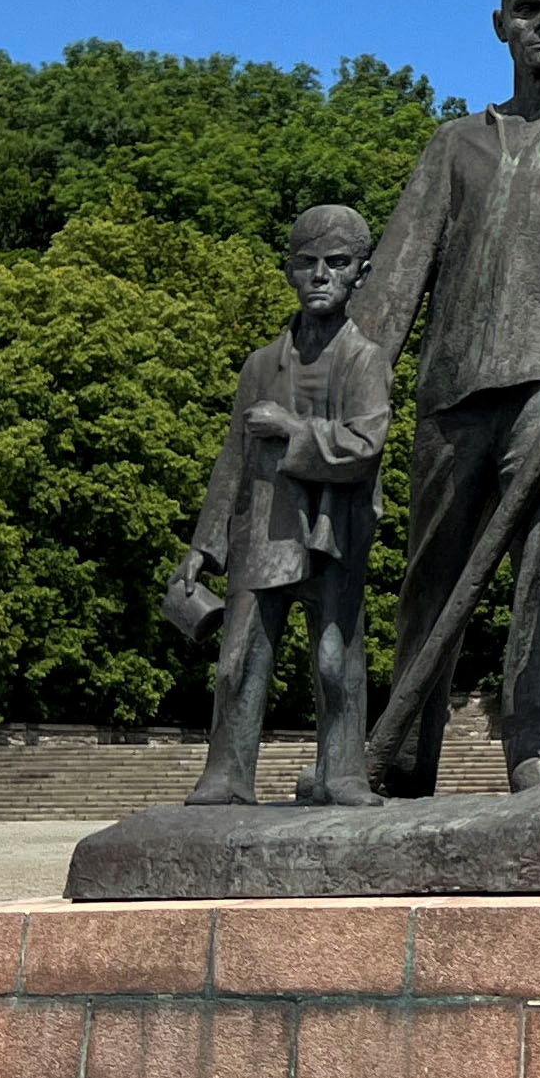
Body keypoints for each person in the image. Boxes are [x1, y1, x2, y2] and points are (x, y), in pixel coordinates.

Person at [352, 0, 540, 793]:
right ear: (499, 25)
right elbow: (394, 281)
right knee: (429, 575)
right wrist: (353, 398)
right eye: (529, 10)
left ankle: (538, 746)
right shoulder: (454, 144)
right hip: (455, 390)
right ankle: (402, 752)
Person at [176, 206, 393, 809]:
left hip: (335, 527)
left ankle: (342, 772)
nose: (321, 275)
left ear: (361, 273)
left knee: (334, 659)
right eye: (307, 263)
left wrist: (293, 430)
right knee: (239, 659)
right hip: (263, 525)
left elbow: (365, 445)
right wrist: (204, 546)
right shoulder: (260, 364)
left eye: (337, 263)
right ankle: (228, 773)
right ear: (290, 272)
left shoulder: (365, 359)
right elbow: (231, 462)